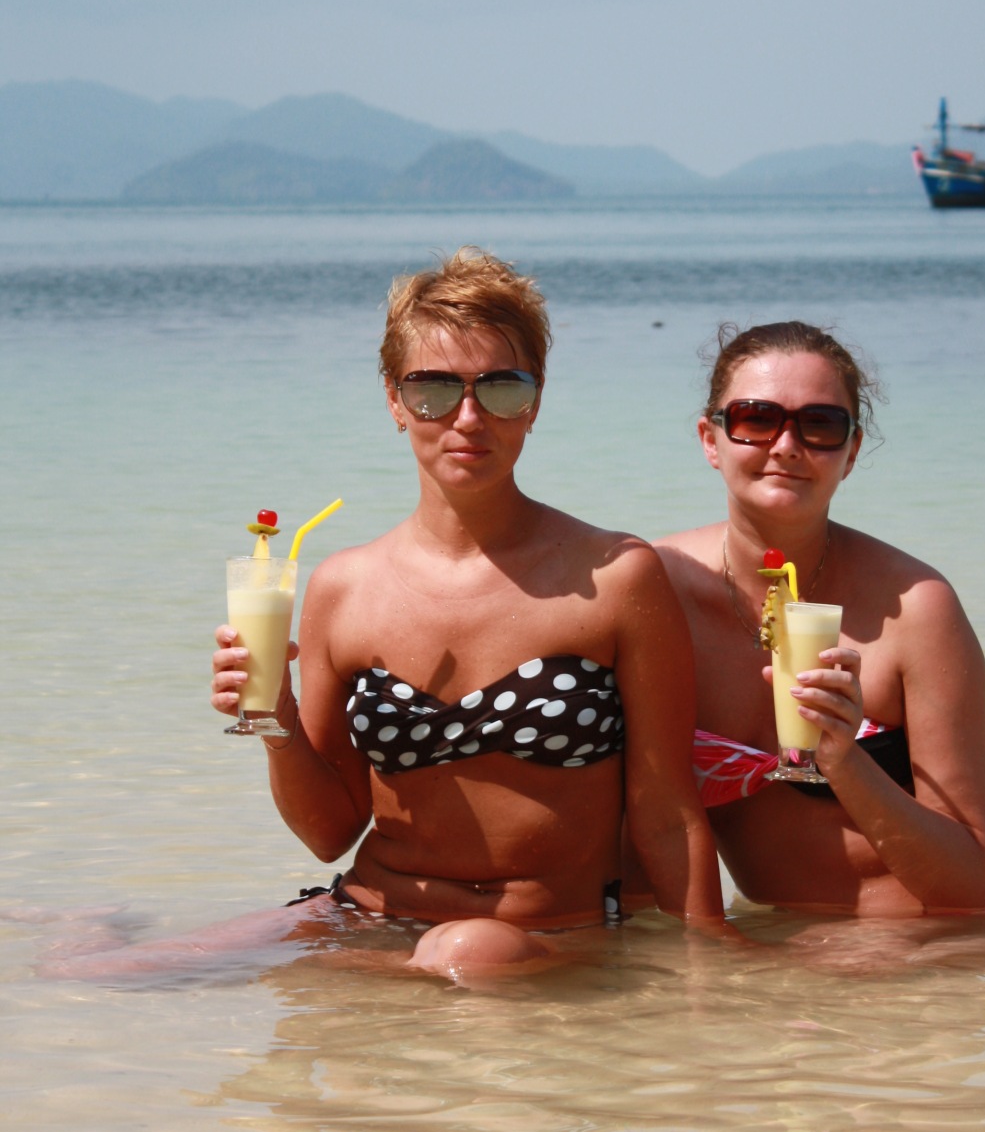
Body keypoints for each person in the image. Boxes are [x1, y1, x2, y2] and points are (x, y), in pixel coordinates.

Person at [53, 250, 722, 985]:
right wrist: (275, 719)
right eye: (433, 389)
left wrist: (710, 968)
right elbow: (328, 833)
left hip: (548, 934)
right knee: (86, 980)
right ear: (394, 400)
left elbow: (666, 811)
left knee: (468, 953)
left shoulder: (616, 576)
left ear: (535, 400)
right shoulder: (345, 588)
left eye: (501, 387)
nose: (468, 417)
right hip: (370, 914)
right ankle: (90, 926)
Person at [656, 319, 985, 924]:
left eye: (821, 425)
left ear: (851, 452)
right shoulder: (653, 592)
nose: (786, 445)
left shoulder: (915, 605)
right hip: (839, 942)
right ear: (711, 440)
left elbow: (966, 885)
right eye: (757, 419)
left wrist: (844, 760)